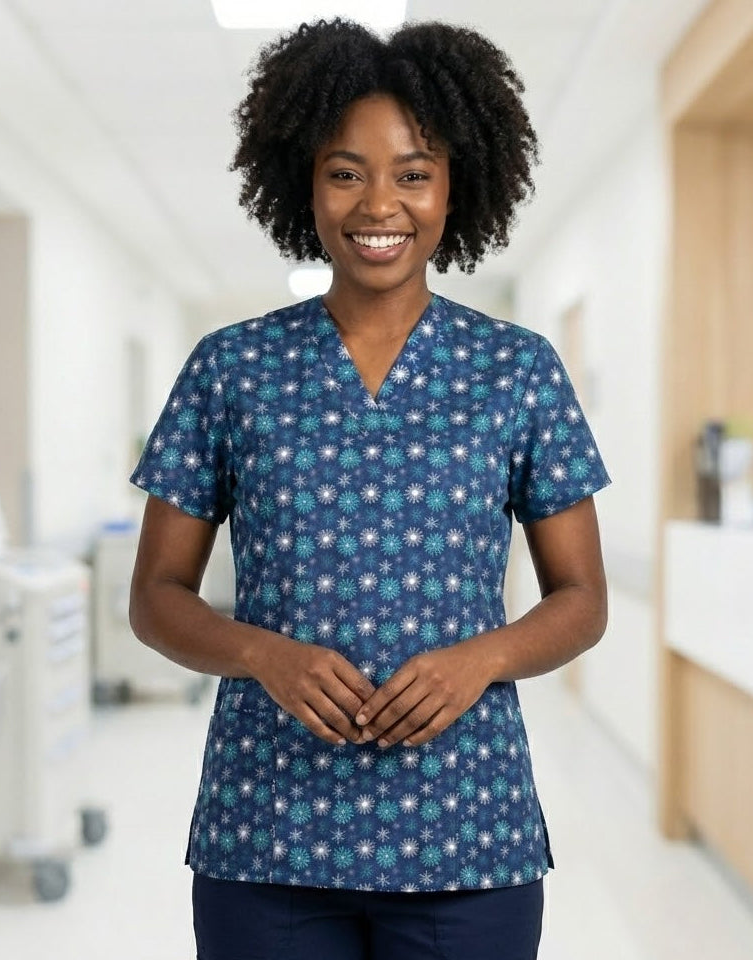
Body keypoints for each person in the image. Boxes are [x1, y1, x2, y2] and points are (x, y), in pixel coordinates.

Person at [129, 18, 610, 960]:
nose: (378, 203)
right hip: (266, 837)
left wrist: (481, 659)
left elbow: (582, 599)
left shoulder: (517, 370)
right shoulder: (232, 368)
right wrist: (264, 654)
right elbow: (154, 598)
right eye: (346, 171)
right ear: (302, 181)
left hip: (465, 835)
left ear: (454, 186)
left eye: (413, 173)